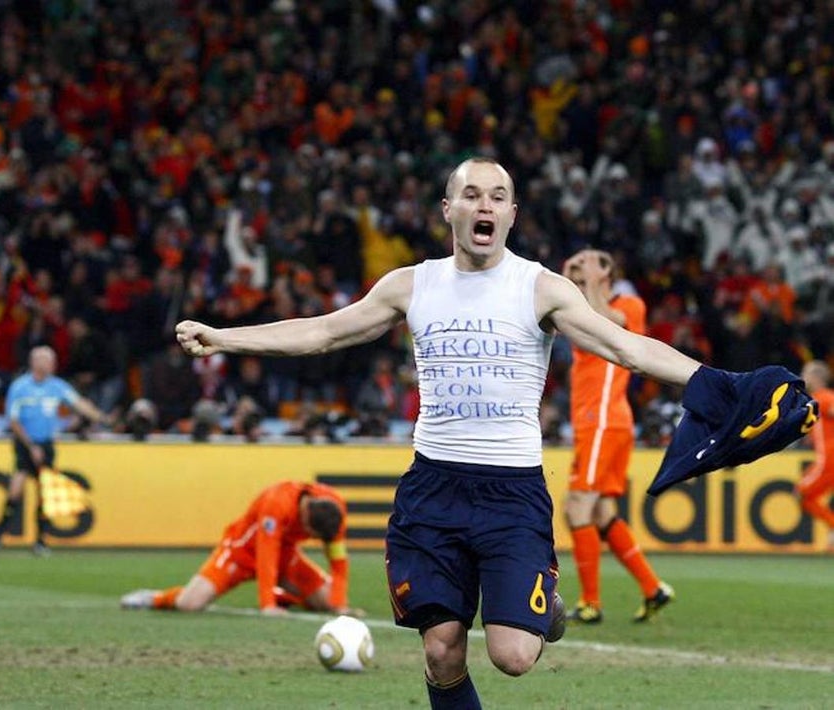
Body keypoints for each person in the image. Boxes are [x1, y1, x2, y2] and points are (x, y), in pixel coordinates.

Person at [172, 158, 706, 709]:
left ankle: (541, 608)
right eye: (472, 195)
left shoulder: (540, 287)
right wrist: (224, 337)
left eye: (498, 197)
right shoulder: (412, 284)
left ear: (512, 214)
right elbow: (325, 331)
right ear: (448, 209)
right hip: (434, 488)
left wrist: (717, 384)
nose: (485, 206)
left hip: (512, 492)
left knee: (514, 656)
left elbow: (628, 348)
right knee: (442, 651)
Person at [562, 249, 674, 624]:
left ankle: (590, 603)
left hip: (603, 420)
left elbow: (605, 321)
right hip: (593, 423)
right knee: (601, 511)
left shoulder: (630, 305)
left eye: (585, 262)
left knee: (577, 507)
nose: (578, 267)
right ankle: (653, 587)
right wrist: (569, 280)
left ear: (607, 270)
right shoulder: (578, 309)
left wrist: (589, 282)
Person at [119, 480, 358, 616]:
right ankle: (156, 597)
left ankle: (284, 596)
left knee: (327, 601)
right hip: (241, 552)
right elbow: (266, 554)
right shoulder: (278, 503)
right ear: (305, 518)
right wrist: (267, 606)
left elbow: (338, 560)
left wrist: (339, 605)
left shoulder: (335, 510)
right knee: (189, 605)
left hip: (286, 555)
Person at [0, 345, 111, 555]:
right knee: (16, 490)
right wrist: (31, 446)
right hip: (25, 444)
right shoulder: (20, 387)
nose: (52, 365)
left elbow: (79, 404)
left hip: (46, 445)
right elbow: (13, 421)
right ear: (36, 363)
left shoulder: (57, 386)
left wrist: (102, 418)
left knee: (45, 494)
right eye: (48, 361)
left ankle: (41, 541)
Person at [796, 360, 834, 551]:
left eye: (806, 373)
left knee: (801, 493)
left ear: (817, 377)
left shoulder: (824, 397)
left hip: (829, 458)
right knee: (804, 497)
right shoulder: (816, 399)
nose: (803, 377)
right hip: (826, 457)